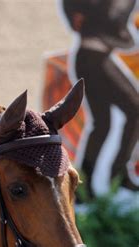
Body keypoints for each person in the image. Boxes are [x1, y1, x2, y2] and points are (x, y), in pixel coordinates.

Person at [62, 0, 138, 199]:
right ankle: (115, 175)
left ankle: (86, 184)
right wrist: (73, 14)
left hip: (97, 57)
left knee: (103, 123)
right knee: (132, 111)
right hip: (92, 58)